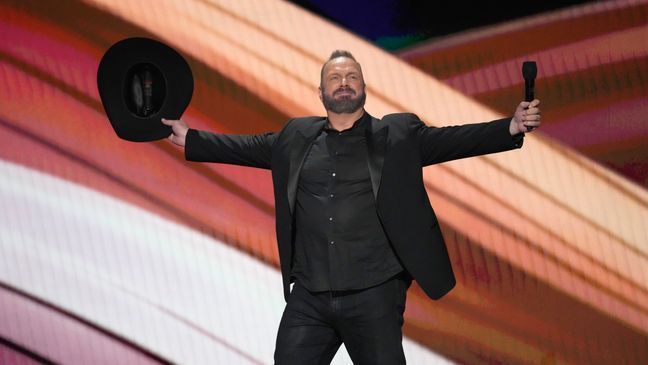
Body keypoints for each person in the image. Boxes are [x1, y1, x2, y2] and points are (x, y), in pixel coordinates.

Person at [162, 50, 541, 365]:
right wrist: (191, 138)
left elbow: (454, 140)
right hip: (310, 295)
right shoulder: (296, 137)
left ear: (364, 88)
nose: (344, 83)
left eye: (352, 77)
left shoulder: (397, 135)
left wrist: (509, 127)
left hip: (373, 293)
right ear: (321, 92)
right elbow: (245, 148)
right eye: (335, 78)